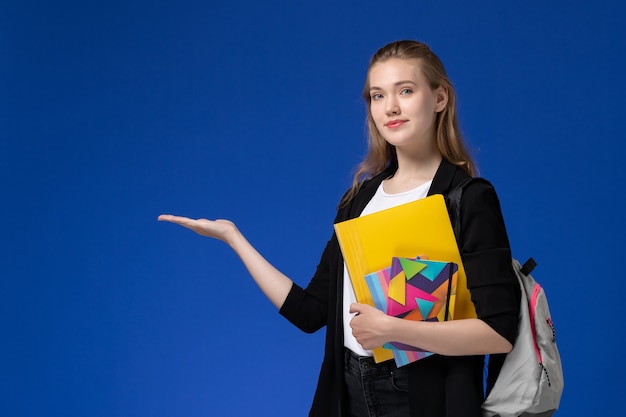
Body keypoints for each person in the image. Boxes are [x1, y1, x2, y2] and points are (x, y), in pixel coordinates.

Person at [158, 40, 520, 417]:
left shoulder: (467, 198)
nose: (391, 107)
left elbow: (497, 332)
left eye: (406, 91)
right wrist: (233, 238)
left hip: (423, 398)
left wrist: (393, 330)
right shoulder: (359, 201)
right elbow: (310, 312)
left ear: (440, 97)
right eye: (378, 96)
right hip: (348, 391)